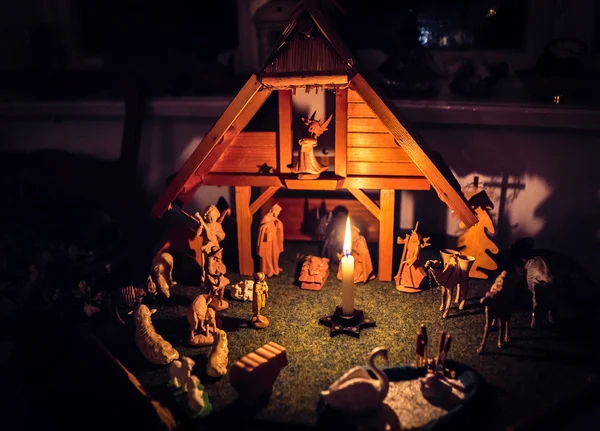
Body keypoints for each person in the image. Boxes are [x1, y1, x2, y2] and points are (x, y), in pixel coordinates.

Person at [257, 204, 284, 277]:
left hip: (274, 240)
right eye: (278, 212)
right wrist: (267, 228)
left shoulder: (274, 219)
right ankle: (268, 270)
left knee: (275, 253)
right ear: (274, 211)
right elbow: (261, 228)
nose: (279, 213)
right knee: (267, 255)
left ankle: (275, 267)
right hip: (267, 242)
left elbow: (278, 226)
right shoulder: (266, 218)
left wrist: (278, 226)